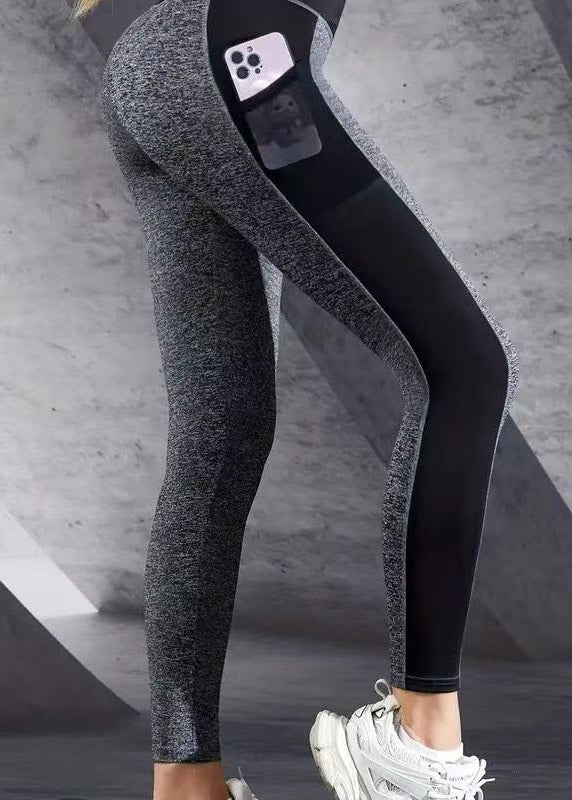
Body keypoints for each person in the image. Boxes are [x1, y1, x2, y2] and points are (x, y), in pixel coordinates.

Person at [74, 0, 519, 798]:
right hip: (239, 50)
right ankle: (418, 740)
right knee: (464, 367)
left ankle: (186, 785)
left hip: (148, 70)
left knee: (221, 436)